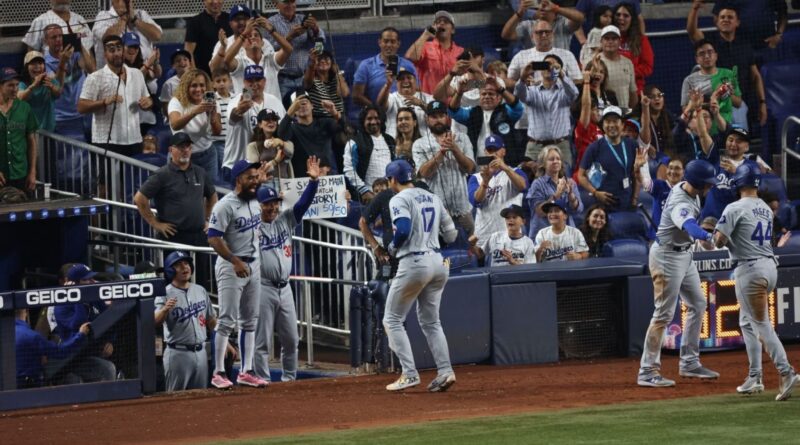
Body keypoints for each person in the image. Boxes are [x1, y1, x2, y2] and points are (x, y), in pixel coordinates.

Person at [713, 163, 799, 399]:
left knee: (761, 324)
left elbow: (719, 242)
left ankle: (786, 371)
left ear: (739, 182)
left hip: (749, 270)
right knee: (747, 323)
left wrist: (714, 231)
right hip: (769, 267)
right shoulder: (764, 207)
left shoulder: (734, 207)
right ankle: (755, 376)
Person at [637, 159, 720, 387]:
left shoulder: (690, 190)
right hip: (666, 257)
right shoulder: (679, 201)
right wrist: (707, 237)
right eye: (708, 183)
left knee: (698, 303)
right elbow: (690, 226)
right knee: (663, 314)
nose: (710, 186)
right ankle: (647, 371)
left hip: (683, 254)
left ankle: (689, 362)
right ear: (698, 182)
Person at [382, 159, 459, 392]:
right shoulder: (433, 197)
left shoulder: (399, 198)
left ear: (392, 180)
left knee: (392, 319)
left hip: (414, 261)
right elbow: (453, 234)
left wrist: (393, 247)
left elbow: (403, 229)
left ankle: (409, 373)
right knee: (431, 321)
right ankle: (445, 371)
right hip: (438, 262)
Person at [253, 156, 320, 383]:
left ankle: (289, 380)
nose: (272, 207)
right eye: (267, 203)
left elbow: (302, 205)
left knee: (291, 339)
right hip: (263, 287)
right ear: (258, 205)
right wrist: (256, 185)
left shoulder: (284, 219)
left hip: (285, 287)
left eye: (274, 203)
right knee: (261, 341)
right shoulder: (252, 225)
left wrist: (313, 183)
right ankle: (262, 380)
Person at [207, 159, 269, 390]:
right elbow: (213, 237)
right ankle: (218, 372)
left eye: (256, 177)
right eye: (249, 177)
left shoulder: (255, 200)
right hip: (231, 266)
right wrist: (234, 261)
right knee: (226, 320)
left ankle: (246, 371)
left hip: (253, 265)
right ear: (238, 179)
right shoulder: (225, 205)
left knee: (250, 321)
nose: (254, 181)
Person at [687, 1, 769, 128]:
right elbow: (692, 31)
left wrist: (762, 103)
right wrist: (695, 8)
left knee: (740, 142)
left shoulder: (745, 45)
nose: (726, 20)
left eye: (730, 17)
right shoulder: (709, 43)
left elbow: (756, 76)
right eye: (722, 17)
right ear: (717, 22)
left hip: (739, 104)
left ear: (737, 23)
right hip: (715, 106)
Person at [134, 132, 218, 246]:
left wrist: (209, 219)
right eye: (181, 147)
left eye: (188, 147)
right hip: (174, 236)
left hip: (199, 235)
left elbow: (212, 195)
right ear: (171, 150)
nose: (185, 150)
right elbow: (139, 198)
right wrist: (155, 224)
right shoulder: (162, 174)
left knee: (201, 264)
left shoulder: (200, 172)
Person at [78, 35, 152, 157]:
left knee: (133, 177)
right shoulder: (95, 77)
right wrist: (104, 102)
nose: (117, 53)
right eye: (112, 50)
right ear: (105, 54)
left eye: (119, 49)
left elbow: (147, 99)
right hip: (107, 143)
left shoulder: (137, 74)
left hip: (134, 139)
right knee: (108, 177)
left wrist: (148, 103)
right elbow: (81, 107)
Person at [155, 251, 217, 392]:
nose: (185, 268)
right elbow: (155, 321)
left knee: (201, 398)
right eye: (178, 265)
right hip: (178, 353)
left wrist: (223, 342)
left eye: (186, 263)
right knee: (175, 399)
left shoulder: (200, 290)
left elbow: (211, 320)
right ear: (170, 270)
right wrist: (165, 310)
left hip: (201, 353)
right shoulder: (164, 293)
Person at [413, 101, 476, 236]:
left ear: (447, 117)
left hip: (463, 209)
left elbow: (470, 168)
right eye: (433, 117)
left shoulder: (462, 138)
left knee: (471, 249)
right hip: (437, 212)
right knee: (441, 253)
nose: (438, 120)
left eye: (441, 115)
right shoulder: (419, 144)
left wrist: (454, 149)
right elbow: (424, 173)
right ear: (427, 119)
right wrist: (441, 152)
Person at [54, 263, 118, 383]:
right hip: (70, 360)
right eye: (87, 279)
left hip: (91, 352)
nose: (93, 281)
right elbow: (78, 325)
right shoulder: (61, 305)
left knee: (109, 367)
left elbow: (109, 319)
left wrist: (110, 341)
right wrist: (78, 298)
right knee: (106, 369)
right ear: (75, 283)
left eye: (91, 277)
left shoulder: (94, 298)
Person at [222, 65, 286, 180]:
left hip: (263, 168)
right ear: (244, 83)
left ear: (264, 81)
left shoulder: (274, 101)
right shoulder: (236, 101)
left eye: (258, 80)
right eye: (250, 80)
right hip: (236, 165)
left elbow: (282, 129)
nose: (254, 84)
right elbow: (232, 119)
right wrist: (239, 110)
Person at [515, 54, 579, 169]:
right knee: (533, 184)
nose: (548, 68)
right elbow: (519, 94)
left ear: (559, 69)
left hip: (561, 146)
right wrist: (523, 78)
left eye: (552, 65)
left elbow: (574, 94)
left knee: (564, 183)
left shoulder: (564, 92)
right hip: (535, 148)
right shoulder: (532, 91)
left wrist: (561, 75)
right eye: (545, 65)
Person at [467, 135, 528, 243]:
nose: (493, 153)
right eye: (490, 150)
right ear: (485, 152)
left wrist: (505, 168)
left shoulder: (516, 172)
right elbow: (475, 201)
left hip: (510, 234)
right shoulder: (476, 177)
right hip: (485, 236)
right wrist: (485, 182)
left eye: (497, 150)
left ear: (503, 151)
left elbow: (523, 186)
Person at [577, 106, 639, 211]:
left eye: (615, 121)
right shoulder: (594, 147)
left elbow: (636, 174)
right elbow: (581, 176)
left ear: (622, 125)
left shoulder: (632, 145)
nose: (611, 125)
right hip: (603, 205)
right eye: (607, 122)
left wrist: (634, 200)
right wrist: (595, 193)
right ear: (603, 125)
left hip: (627, 202)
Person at [168, 69, 223, 184]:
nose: (198, 89)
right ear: (186, 87)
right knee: (182, 191)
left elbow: (217, 132)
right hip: (182, 155)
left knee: (210, 191)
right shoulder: (176, 102)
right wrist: (195, 111)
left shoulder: (212, 100)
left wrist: (212, 115)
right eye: (194, 86)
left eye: (202, 85)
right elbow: (175, 124)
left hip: (208, 155)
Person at [42, 23, 95, 142]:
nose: (58, 40)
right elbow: (56, 88)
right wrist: (62, 62)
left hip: (84, 112)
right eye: (53, 37)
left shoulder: (74, 54)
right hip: (64, 118)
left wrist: (79, 45)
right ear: (46, 41)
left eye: (60, 36)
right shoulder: (45, 63)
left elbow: (91, 69)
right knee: (77, 158)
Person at [449, 77, 523, 159]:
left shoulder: (506, 111)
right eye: (483, 94)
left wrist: (501, 89)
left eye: (491, 94)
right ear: (479, 97)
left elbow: (518, 107)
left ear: (499, 98)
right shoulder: (472, 112)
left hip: (505, 162)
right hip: (479, 162)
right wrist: (459, 93)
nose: (487, 96)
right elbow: (453, 111)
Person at [267, 0, 326, 102]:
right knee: (285, 110)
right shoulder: (270, 23)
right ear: (276, 4)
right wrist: (289, 37)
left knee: (305, 109)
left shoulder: (302, 19)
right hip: (282, 78)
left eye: (292, 2)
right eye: (285, 2)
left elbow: (321, 40)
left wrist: (315, 28)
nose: (289, 5)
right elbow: (269, 49)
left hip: (303, 77)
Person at [15, 308, 90, 388]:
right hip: (28, 389)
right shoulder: (31, 336)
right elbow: (61, 352)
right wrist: (81, 334)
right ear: (25, 312)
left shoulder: (4, 335)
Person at [223, 16, 292, 100]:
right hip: (247, 109)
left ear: (262, 42)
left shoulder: (271, 60)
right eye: (249, 36)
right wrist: (244, 34)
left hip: (273, 109)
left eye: (256, 35)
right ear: (243, 44)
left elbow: (288, 49)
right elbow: (226, 60)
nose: (253, 37)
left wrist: (271, 30)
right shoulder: (240, 63)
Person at [680, 39, 741, 134]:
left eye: (710, 52)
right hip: (702, 131)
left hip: (724, 128)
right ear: (696, 59)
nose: (707, 56)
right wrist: (713, 98)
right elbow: (685, 109)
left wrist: (726, 94)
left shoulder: (728, 74)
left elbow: (738, 103)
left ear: (716, 55)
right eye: (702, 54)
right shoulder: (689, 80)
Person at [278, 91, 343, 176]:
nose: (302, 105)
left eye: (304, 102)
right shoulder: (292, 128)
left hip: (327, 176)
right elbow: (281, 134)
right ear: (293, 109)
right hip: (303, 178)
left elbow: (346, 129)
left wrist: (335, 113)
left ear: (312, 105)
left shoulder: (325, 123)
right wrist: (290, 111)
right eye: (297, 105)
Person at [527, 145, 583, 238]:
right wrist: (556, 195)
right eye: (551, 159)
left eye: (558, 158)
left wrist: (570, 194)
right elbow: (539, 211)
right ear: (543, 164)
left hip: (566, 236)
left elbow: (578, 210)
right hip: (544, 236)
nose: (555, 161)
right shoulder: (537, 184)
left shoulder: (570, 182)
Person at [343, 105, 396, 203]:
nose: (373, 122)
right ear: (363, 121)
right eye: (369, 119)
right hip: (368, 197)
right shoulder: (354, 142)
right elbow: (349, 170)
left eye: (376, 118)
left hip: (390, 195)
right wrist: (364, 191)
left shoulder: (390, 140)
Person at [353, 27, 417, 107]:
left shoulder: (409, 66)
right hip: (378, 115)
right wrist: (376, 110)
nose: (389, 45)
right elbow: (357, 96)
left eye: (393, 42)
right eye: (386, 41)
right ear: (380, 42)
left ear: (398, 44)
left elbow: (416, 91)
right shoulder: (366, 65)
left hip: (404, 113)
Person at [405, 10, 464, 94]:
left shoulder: (461, 51)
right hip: (429, 104)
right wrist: (425, 35)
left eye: (446, 22)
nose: (441, 23)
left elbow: (469, 78)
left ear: (453, 30)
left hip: (453, 104)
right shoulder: (424, 47)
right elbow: (411, 57)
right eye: (438, 22)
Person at [507, 20, 583, 85]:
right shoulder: (521, 56)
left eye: (547, 32)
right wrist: (523, 82)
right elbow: (508, 81)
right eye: (539, 32)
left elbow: (578, 80)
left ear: (553, 35)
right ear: (532, 36)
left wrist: (560, 82)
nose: (544, 35)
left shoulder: (567, 55)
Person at [0, 68, 39, 192]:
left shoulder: (24, 108)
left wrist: (32, 171)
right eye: (10, 85)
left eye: (17, 85)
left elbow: (31, 141)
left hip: (20, 173)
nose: (15, 89)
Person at [92, 0, 162, 69]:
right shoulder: (103, 16)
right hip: (113, 77)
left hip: (147, 76)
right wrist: (124, 19)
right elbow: (108, 38)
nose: (127, 3)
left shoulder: (141, 14)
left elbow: (157, 35)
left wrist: (135, 20)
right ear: (113, 1)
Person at [502, 0, 584, 52]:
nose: (543, 6)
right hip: (535, 69)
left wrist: (556, 8)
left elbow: (580, 18)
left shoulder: (563, 24)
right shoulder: (528, 25)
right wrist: (519, 13)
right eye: (541, 4)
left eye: (546, 4)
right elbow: (506, 35)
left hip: (560, 67)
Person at [469, 204, 536, 267]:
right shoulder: (495, 237)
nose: (510, 220)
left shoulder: (528, 242)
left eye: (514, 217)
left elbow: (530, 269)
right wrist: (473, 244)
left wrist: (513, 262)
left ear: (523, 222)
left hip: (517, 278)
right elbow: (480, 254)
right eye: (507, 217)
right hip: (496, 277)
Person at [121, 32, 160, 135]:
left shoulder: (140, 64)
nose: (133, 50)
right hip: (129, 119)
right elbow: (132, 79)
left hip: (147, 118)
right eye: (129, 46)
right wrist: (147, 65)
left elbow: (156, 75)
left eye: (135, 47)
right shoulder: (119, 65)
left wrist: (155, 62)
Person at [573, 63, 605, 184]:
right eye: (595, 110)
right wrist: (586, 83)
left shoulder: (599, 129)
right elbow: (586, 105)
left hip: (601, 173)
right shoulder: (583, 128)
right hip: (584, 176)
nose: (598, 113)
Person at [246, 108, 294, 190]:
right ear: (260, 124)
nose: (271, 122)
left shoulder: (284, 141)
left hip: (286, 183)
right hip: (266, 184)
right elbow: (255, 171)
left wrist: (281, 143)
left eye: (274, 119)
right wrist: (275, 161)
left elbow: (291, 152)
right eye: (267, 119)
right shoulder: (253, 146)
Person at [711, 0, 788, 50]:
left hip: (768, 45)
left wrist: (779, 34)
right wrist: (727, 38)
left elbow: (783, 13)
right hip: (739, 48)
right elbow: (716, 17)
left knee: (768, 74)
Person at [23, 0, 93, 54]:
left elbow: (89, 50)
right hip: (53, 69)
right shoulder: (40, 21)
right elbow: (31, 51)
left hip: (82, 69)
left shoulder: (80, 19)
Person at [378, 68, 431, 139]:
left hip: (423, 143)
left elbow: (437, 116)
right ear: (396, 82)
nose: (405, 81)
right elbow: (380, 105)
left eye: (409, 78)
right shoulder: (391, 97)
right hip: (396, 143)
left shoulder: (428, 98)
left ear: (415, 81)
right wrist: (388, 84)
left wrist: (421, 104)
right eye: (401, 79)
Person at [18, 51, 62, 133]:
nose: (37, 66)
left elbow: (58, 94)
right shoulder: (23, 84)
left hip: (49, 131)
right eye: (33, 63)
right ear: (26, 67)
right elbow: (19, 98)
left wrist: (52, 87)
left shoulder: (50, 81)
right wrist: (34, 85)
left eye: (40, 63)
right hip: (30, 132)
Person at [613, 2, 652, 94]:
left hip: (635, 90)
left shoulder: (640, 39)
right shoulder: (607, 38)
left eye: (626, 16)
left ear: (632, 20)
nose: (621, 18)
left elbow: (647, 67)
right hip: (611, 90)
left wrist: (626, 72)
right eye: (618, 15)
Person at [185, 0, 232, 76]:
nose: (215, 2)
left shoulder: (231, 20)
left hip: (228, 76)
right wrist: (195, 75)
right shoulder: (195, 22)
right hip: (204, 76)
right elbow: (188, 52)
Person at [598, 25, 638, 110]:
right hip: (604, 115)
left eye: (614, 39)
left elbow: (632, 91)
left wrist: (633, 113)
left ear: (620, 41)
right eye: (607, 39)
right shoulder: (595, 62)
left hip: (625, 114)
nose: (610, 42)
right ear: (601, 41)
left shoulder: (628, 63)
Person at [304, 49, 349, 119]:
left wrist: (337, 72)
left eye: (326, 58)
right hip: (320, 119)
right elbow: (307, 82)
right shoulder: (312, 79)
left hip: (338, 117)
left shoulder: (336, 79)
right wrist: (312, 64)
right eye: (319, 59)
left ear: (332, 63)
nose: (322, 61)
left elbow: (344, 93)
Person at [640, 85, 675, 160]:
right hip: (647, 159)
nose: (657, 98)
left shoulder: (668, 116)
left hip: (667, 158)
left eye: (660, 95)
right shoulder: (639, 118)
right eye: (652, 97)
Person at [159, 49, 192, 117]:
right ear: (173, 66)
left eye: (185, 59)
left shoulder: (197, 80)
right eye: (178, 61)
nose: (182, 62)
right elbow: (165, 107)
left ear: (190, 64)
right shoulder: (168, 84)